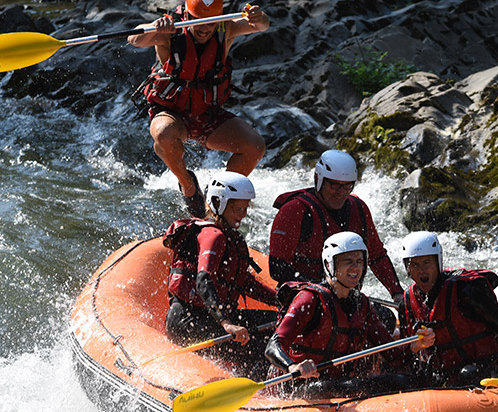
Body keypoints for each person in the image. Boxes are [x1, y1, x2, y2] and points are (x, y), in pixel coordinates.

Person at [128, 0, 269, 218]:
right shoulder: (169, 33)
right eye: (197, 21)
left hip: (207, 114)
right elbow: (135, 38)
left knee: (255, 147)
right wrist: (155, 27)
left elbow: (262, 25)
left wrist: (259, 15)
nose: (204, 28)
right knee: (163, 136)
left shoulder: (227, 29)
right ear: (186, 15)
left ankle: (216, 201)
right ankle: (189, 186)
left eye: (211, 22)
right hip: (172, 113)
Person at [264, 232, 434, 397]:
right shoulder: (310, 299)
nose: (356, 267)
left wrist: (415, 345)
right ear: (330, 264)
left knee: (409, 380)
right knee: (355, 386)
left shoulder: (363, 304)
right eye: (348, 261)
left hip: (342, 383)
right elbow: (273, 346)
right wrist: (292, 367)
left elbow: (391, 354)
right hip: (299, 385)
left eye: (360, 261)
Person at [268, 149, 404, 327]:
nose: (340, 192)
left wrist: (397, 293)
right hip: (305, 299)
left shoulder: (359, 208)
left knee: (385, 318)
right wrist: (323, 289)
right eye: (334, 185)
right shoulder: (295, 210)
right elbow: (277, 268)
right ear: (319, 179)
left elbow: (377, 256)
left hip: (346, 298)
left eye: (347, 186)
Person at [163, 171, 278, 377]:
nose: (241, 214)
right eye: (236, 208)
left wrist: (282, 302)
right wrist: (226, 323)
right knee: (265, 347)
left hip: (213, 318)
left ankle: (246, 373)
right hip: (189, 322)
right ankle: (254, 391)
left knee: (280, 322)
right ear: (218, 203)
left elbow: (244, 283)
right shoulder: (212, 235)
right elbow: (203, 279)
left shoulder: (230, 236)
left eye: (244, 208)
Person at [397, 231, 498, 394]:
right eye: (414, 265)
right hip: (441, 377)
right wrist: (414, 347)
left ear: (437, 262)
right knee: (392, 381)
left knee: (466, 375)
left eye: (426, 263)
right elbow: (404, 355)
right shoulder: (407, 303)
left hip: (481, 373)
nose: (421, 271)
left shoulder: (466, 293)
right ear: (407, 268)